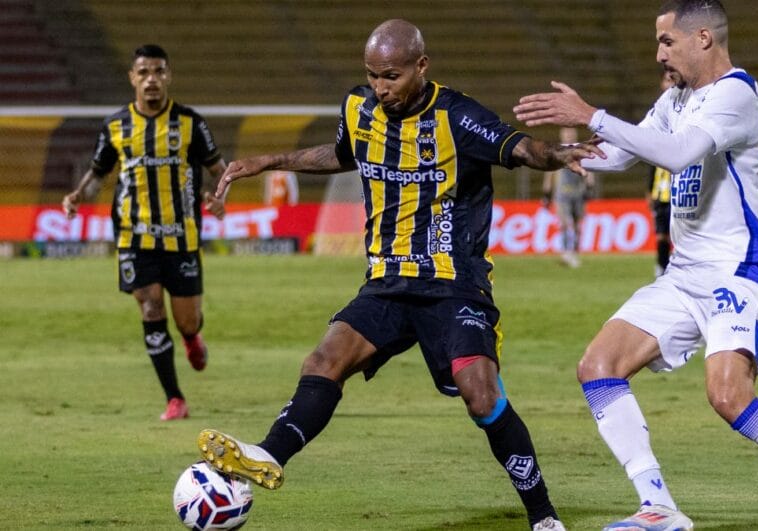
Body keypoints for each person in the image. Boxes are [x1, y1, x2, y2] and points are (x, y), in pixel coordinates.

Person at [196, 19, 600, 531]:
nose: (381, 88)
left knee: (480, 394)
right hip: (387, 282)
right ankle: (270, 454)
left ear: (421, 67)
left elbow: (521, 148)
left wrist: (556, 155)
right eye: (372, 76)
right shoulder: (358, 107)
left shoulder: (459, 115)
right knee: (324, 359)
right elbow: (343, 154)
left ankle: (543, 516)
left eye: (390, 76)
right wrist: (268, 161)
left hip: (454, 286)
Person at [513, 2, 758, 530]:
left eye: (667, 41)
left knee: (729, 396)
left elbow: (680, 154)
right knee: (598, 366)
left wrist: (591, 114)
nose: (658, 52)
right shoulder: (677, 98)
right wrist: (540, 152)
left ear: (702, 38)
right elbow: (620, 155)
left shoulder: (737, 93)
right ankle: (658, 506)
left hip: (738, 268)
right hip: (684, 275)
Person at [62, 44, 227, 421]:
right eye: (143, 72)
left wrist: (219, 199)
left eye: (158, 71)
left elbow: (221, 171)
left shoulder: (190, 123)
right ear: (132, 78)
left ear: (168, 76)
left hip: (181, 237)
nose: (151, 79)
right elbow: (98, 174)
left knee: (187, 319)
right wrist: (77, 197)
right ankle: (175, 398)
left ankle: (190, 337)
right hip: (134, 237)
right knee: (151, 307)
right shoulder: (116, 126)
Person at [542, 127, 595, 268]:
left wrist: (589, 187)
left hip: (578, 193)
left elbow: (589, 169)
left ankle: (575, 252)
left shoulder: (580, 151)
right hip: (562, 195)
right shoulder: (556, 151)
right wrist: (546, 194)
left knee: (578, 226)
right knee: (564, 224)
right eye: (566, 133)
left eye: (571, 133)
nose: (569, 135)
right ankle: (566, 252)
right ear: (562, 135)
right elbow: (549, 172)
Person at [647, 71, 675, 278]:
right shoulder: (657, 117)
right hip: (661, 192)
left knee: (682, 236)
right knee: (661, 235)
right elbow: (651, 159)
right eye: (667, 79)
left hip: (679, 191)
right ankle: (661, 269)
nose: (670, 83)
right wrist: (649, 189)